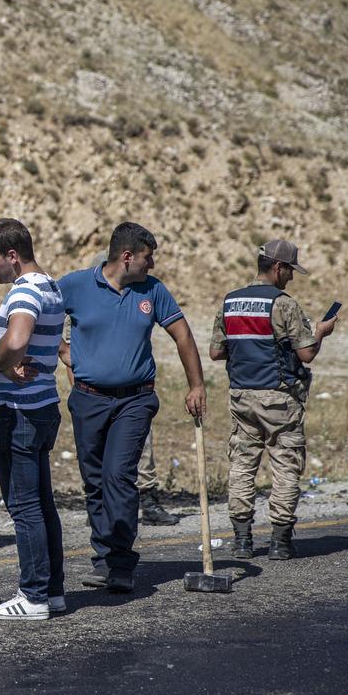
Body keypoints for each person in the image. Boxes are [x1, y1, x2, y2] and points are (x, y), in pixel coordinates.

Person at [58, 222, 206, 593]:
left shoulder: (152, 291)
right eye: (147, 257)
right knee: (94, 482)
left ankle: (121, 563)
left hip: (135, 400)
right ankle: (102, 559)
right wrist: (64, 354)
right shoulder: (74, 285)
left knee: (118, 476)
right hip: (88, 399)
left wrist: (197, 385)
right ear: (126, 257)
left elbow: (182, 334)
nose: (152, 265)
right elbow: (38, 321)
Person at [208, 239, 337, 560]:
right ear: (278, 268)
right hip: (279, 398)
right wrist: (321, 331)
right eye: (290, 270)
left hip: (241, 396)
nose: (291, 277)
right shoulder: (284, 304)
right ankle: (279, 540)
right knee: (286, 465)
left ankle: (241, 540)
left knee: (241, 464)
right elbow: (306, 354)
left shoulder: (230, 301)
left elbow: (215, 352)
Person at [0, 218, 66, 621]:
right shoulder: (51, 284)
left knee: (24, 504)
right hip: (42, 403)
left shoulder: (26, 290)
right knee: (42, 503)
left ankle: (32, 597)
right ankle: (53, 590)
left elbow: (17, 340)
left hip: (19, 410)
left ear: (13, 256)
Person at [67, 253, 181, 527]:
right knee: (98, 466)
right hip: (94, 397)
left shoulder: (142, 292)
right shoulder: (84, 295)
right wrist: (82, 393)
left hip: (133, 395)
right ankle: (104, 517)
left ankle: (146, 500)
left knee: (135, 455)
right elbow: (72, 354)